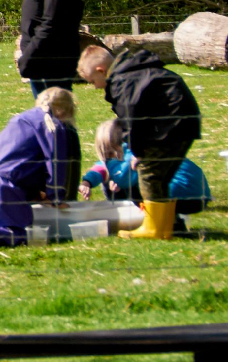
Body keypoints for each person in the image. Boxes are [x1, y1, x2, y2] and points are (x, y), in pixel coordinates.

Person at [79, 42, 203, 241]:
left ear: (101, 71)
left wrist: (137, 151)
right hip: (185, 124)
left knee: (150, 177)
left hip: (167, 127)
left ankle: (153, 228)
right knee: (162, 178)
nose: (94, 86)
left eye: (93, 81)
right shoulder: (135, 72)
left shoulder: (122, 82)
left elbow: (132, 119)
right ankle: (167, 226)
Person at [0, 86, 84, 252]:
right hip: (6, 183)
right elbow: (56, 161)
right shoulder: (53, 125)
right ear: (66, 110)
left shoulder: (20, 119)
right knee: (20, 233)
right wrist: (55, 196)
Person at [80, 118, 210, 231]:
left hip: (178, 196)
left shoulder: (132, 152)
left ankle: (158, 221)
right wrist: (88, 181)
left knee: (136, 186)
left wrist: (112, 181)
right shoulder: (147, 145)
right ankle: (173, 221)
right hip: (201, 196)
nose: (108, 160)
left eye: (109, 155)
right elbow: (101, 168)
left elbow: (112, 173)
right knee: (144, 180)